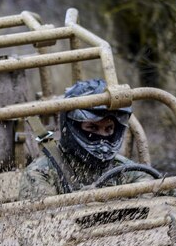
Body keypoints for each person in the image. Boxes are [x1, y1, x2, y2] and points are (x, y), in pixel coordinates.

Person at [19, 78, 156, 200]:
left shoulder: (125, 169)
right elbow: (43, 222)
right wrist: (84, 202)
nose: (102, 137)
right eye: (92, 128)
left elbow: (156, 203)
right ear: (71, 126)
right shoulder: (41, 172)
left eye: (108, 129)